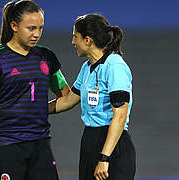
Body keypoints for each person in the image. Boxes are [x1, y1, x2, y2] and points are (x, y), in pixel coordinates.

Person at [0, 1, 70, 180]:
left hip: (41, 146)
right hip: (6, 146)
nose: (37, 34)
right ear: (14, 26)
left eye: (40, 28)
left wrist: (87, 87)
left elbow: (66, 96)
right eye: (31, 28)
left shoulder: (47, 57)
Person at [49, 13, 136, 180]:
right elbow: (68, 100)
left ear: (87, 40)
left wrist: (104, 158)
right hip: (90, 141)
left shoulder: (115, 67)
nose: (73, 42)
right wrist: (34, 109)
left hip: (113, 145)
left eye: (75, 37)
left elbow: (120, 116)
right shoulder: (87, 67)